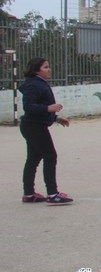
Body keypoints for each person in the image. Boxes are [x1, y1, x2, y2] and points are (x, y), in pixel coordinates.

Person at [18, 57, 73, 205]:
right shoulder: (33, 85)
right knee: (50, 155)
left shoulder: (37, 83)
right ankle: (53, 194)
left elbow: (38, 107)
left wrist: (55, 118)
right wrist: (49, 108)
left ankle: (29, 194)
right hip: (34, 127)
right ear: (36, 70)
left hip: (33, 125)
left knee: (33, 159)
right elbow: (28, 107)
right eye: (45, 67)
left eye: (48, 66)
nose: (49, 69)